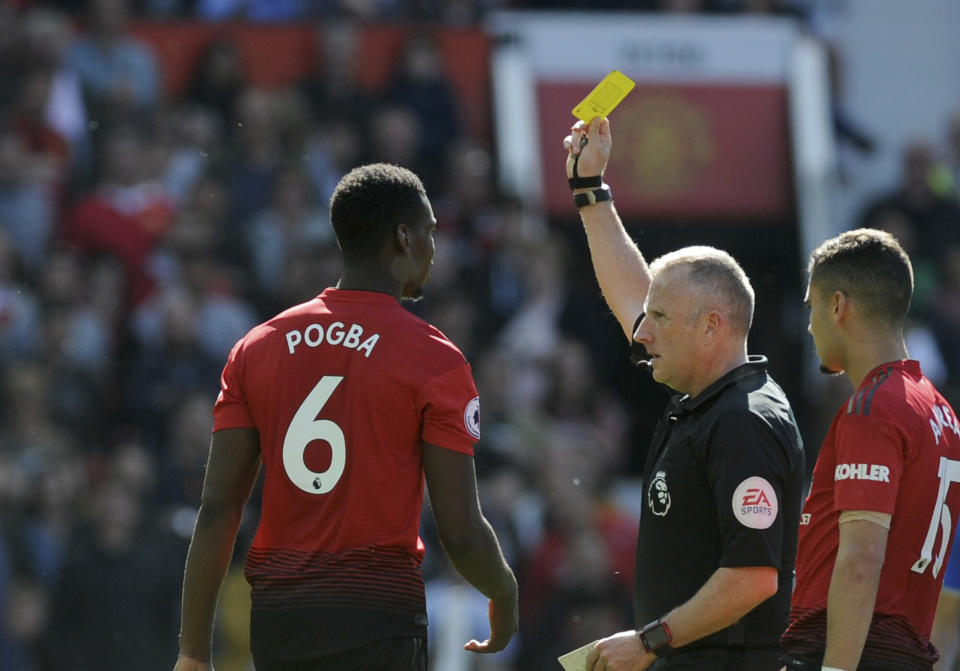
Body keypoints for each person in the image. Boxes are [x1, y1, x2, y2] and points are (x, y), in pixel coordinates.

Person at [172, 163, 519, 671]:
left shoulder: (257, 347)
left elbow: (218, 508)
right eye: (430, 233)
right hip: (379, 618)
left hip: (281, 618)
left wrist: (192, 653)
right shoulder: (435, 359)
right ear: (404, 237)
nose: (434, 249)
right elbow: (461, 531)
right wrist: (505, 593)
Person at [563, 116, 805, 671]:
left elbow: (751, 578)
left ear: (711, 327)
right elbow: (633, 297)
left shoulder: (746, 420)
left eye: (660, 319)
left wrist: (649, 641)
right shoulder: (710, 396)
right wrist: (589, 191)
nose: (641, 333)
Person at [781, 228, 960, 671]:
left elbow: (861, 558)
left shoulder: (874, 407)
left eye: (812, 307)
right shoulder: (941, 412)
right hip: (906, 655)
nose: (809, 325)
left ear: (838, 306)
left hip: (848, 654)